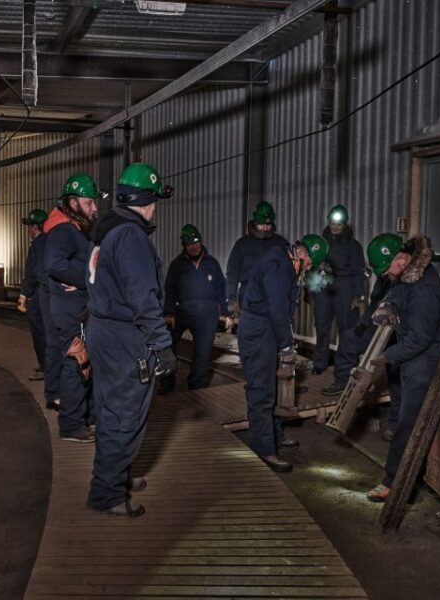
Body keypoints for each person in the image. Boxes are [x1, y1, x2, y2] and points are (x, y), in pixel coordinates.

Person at [85, 162, 176, 518]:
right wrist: (162, 347)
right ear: (148, 200)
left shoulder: (106, 232)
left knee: (109, 410)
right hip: (124, 337)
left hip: (102, 331)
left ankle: (114, 475)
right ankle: (107, 492)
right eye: (155, 201)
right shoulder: (132, 237)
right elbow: (143, 299)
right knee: (125, 415)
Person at [364, 235, 440, 502]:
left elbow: (419, 338)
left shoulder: (426, 290)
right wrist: (388, 305)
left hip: (428, 358)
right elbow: (397, 290)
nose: (386, 275)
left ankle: (394, 481)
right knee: (404, 414)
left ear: (401, 259)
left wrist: (386, 356)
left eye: (387, 269)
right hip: (415, 353)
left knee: (409, 422)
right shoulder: (410, 274)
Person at [239, 233, 328, 473]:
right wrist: (287, 344)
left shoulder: (284, 263)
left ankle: (275, 437)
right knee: (262, 391)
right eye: (309, 263)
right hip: (259, 332)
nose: (308, 269)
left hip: (268, 330)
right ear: (301, 254)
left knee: (275, 388)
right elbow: (277, 309)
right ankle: (264, 449)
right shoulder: (277, 265)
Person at [321, 233, 403, 440]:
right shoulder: (384, 279)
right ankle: (341, 382)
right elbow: (374, 304)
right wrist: (362, 323)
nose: (384, 273)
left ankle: (395, 423)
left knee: (396, 376)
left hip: (401, 335)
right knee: (348, 338)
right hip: (379, 327)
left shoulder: (411, 283)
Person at [43, 173, 100, 443]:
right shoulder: (64, 230)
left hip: (78, 309)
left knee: (82, 364)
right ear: (74, 202)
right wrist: (85, 278)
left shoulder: (76, 228)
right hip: (70, 312)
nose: (95, 208)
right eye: (90, 203)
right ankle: (71, 425)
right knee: (76, 365)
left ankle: (85, 416)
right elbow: (53, 264)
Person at [159, 224, 226, 394]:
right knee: (168, 341)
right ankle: (167, 382)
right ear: (184, 245)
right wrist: (169, 313)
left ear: (201, 242)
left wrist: (225, 313)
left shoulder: (212, 264)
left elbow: (221, 289)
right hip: (183, 311)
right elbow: (170, 290)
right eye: (190, 244)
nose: (194, 247)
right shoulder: (177, 265)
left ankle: (196, 388)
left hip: (206, 314)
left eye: (196, 242)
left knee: (203, 352)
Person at [311, 204, 366, 374]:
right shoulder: (320, 243)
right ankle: (320, 364)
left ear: (344, 225)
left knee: (346, 328)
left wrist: (357, 296)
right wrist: (311, 289)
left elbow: (358, 271)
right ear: (329, 223)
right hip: (324, 287)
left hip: (344, 286)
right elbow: (312, 266)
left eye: (339, 224)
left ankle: (345, 366)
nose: (335, 227)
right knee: (322, 327)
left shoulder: (353, 246)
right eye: (333, 223)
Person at [225, 201, 289, 318]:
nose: (265, 228)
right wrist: (231, 298)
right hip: (249, 295)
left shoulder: (281, 244)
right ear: (255, 222)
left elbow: (290, 271)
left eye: (268, 225)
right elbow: (232, 271)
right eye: (261, 224)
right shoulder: (242, 244)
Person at [19, 208, 49, 382]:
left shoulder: (37, 245)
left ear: (37, 226)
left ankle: (45, 368)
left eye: (30, 226)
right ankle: (50, 365)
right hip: (52, 292)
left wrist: (24, 295)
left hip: (41, 292)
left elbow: (31, 273)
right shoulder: (51, 241)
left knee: (39, 330)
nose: (29, 230)